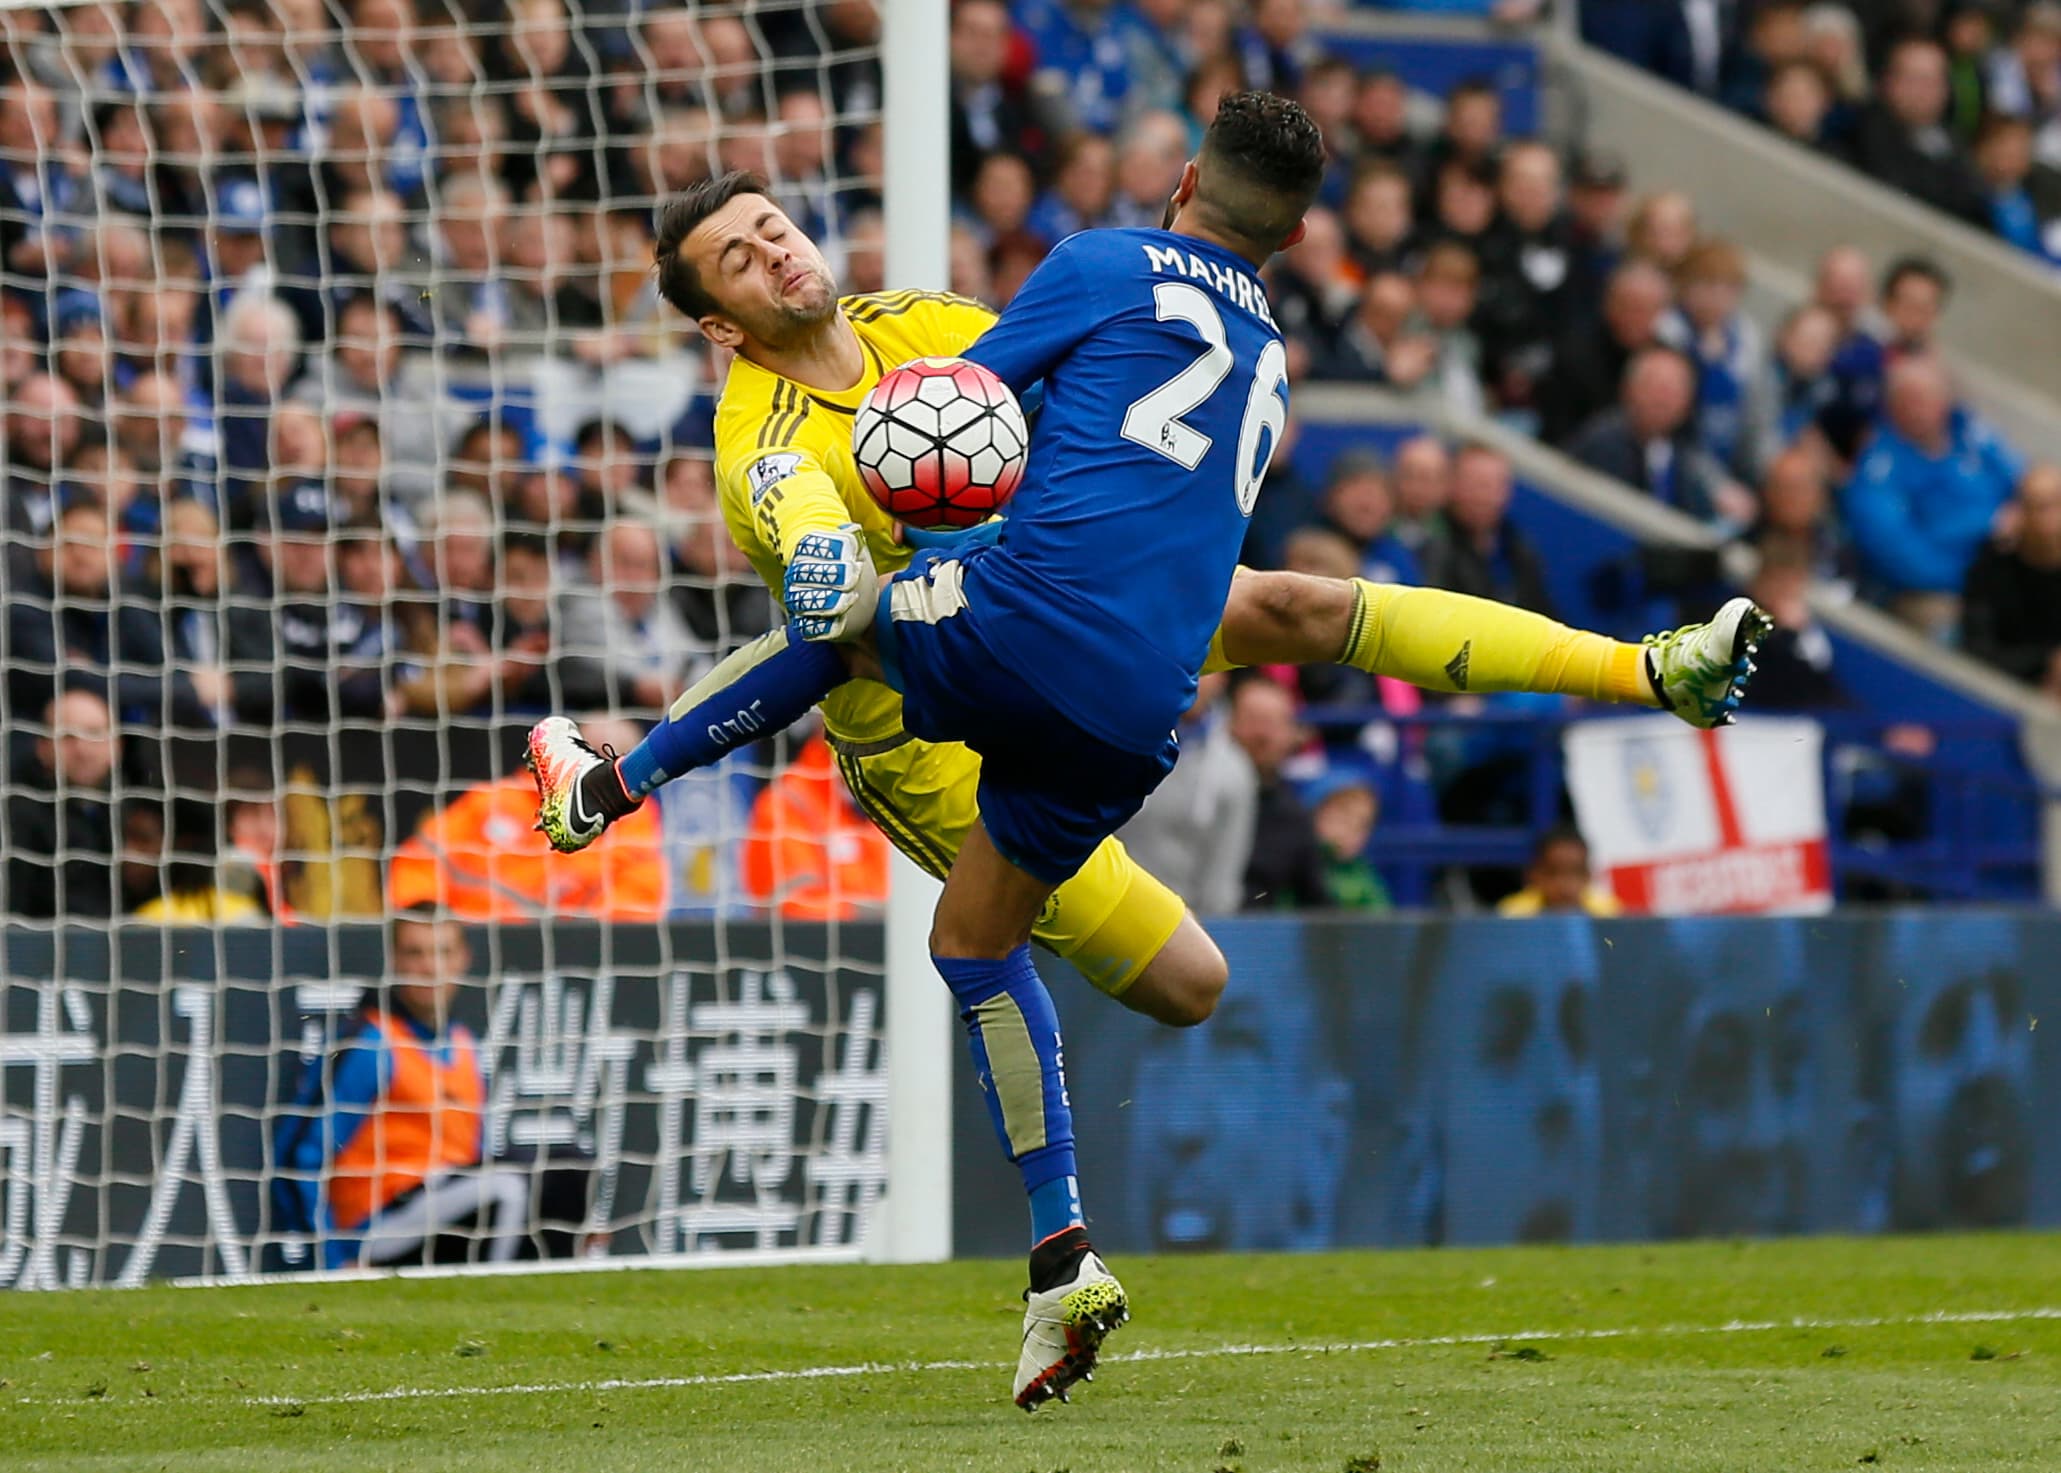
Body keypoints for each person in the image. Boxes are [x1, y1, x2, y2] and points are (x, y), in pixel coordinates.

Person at [525, 121, 1769, 1404]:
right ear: (719, 324)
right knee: (886, 645)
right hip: (941, 733)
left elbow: (1070, 399)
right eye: (738, 259)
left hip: (1037, 612)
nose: (774, 253)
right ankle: (1642, 669)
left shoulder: (931, 320)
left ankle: (608, 792)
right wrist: (829, 540)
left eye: (773, 227)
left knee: (1190, 951)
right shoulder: (755, 435)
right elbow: (797, 508)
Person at [272, 908, 534, 1270]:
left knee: (558, 1173)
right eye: (416, 953)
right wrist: (333, 1261)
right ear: (394, 960)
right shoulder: (369, 1044)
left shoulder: (464, 1045)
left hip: (452, 1207)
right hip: (378, 1226)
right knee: (506, 1188)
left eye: (442, 953)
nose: (430, 967)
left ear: (463, 959)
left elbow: (478, 1152)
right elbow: (299, 1157)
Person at [738, 729, 891, 919]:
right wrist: (885, 915)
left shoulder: (888, 801)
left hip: (892, 944)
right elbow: (794, 908)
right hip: (810, 946)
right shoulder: (785, 805)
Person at [1961, 464, 2061, 690]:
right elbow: (1978, 651)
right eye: (2037, 507)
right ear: (2020, 512)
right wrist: (2046, 661)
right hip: (1998, 686)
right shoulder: (1993, 565)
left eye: (2055, 504)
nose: (2049, 519)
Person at [1496, 825, 1622, 916]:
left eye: (1576, 873)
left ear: (1589, 876)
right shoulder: (1513, 915)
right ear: (1533, 875)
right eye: (1553, 873)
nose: (1565, 887)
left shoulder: (1609, 915)